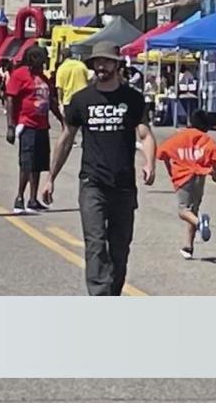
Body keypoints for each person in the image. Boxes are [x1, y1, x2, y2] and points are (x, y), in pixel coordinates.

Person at [41, 41, 157, 296]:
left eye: (106, 61)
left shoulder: (133, 99)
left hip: (124, 185)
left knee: (120, 248)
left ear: (117, 64)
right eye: (97, 62)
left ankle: (111, 294)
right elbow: (66, 138)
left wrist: (150, 162)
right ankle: (100, 297)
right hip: (92, 182)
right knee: (95, 243)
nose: (100, 66)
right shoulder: (82, 100)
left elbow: (145, 134)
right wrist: (50, 177)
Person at [157, 110, 216, 260]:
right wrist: (214, 171)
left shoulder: (180, 137)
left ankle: (200, 223)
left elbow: (162, 153)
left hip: (183, 177)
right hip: (200, 176)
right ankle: (188, 246)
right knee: (193, 209)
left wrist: (170, 168)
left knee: (183, 211)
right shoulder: (205, 139)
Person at [5, 46, 64, 213]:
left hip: (42, 126)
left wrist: (62, 121)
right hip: (26, 124)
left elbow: (51, 102)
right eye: (41, 60)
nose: (43, 63)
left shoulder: (44, 78)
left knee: (38, 164)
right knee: (26, 162)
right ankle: (19, 198)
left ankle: (32, 200)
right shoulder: (20, 74)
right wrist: (11, 126)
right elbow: (10, 99)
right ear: (32, 59)